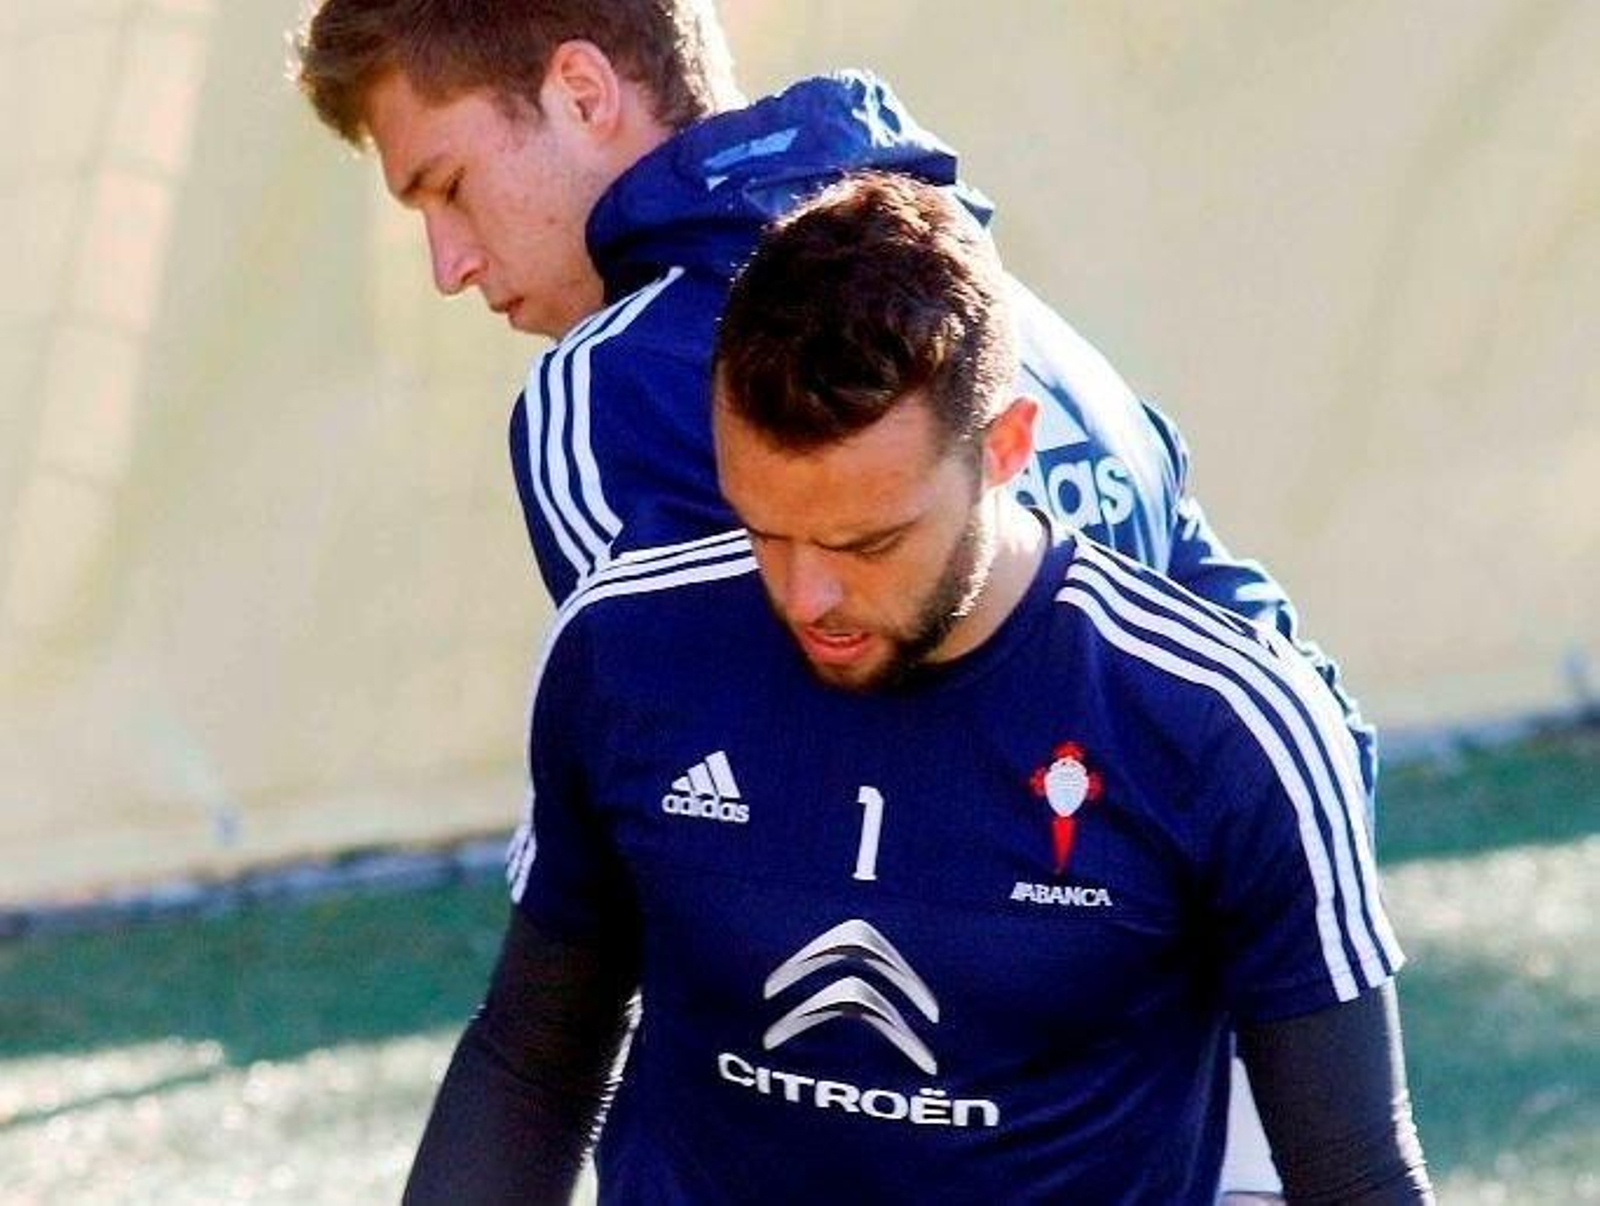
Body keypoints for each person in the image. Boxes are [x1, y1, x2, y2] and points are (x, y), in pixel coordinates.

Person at [291, 2, 1375, 1196]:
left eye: (447, 186)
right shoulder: (1020, 324)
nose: (449, 265)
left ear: (583, 91)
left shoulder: (605, 391)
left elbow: (747, 827)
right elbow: (1291, 709)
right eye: (770, 528)